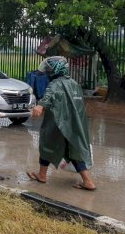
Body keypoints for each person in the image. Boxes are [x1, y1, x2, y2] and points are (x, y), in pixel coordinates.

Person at [26, 56, 96, 191]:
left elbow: (48, 97)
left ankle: (42, 175)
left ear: (55, 70)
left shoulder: (55, 84)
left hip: (58, 122)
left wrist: (40, 106)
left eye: (48, 69)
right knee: (73, 149)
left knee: (46, 145)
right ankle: (87, 181)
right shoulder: (74, 83)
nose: (46, 72)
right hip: (75, 124)